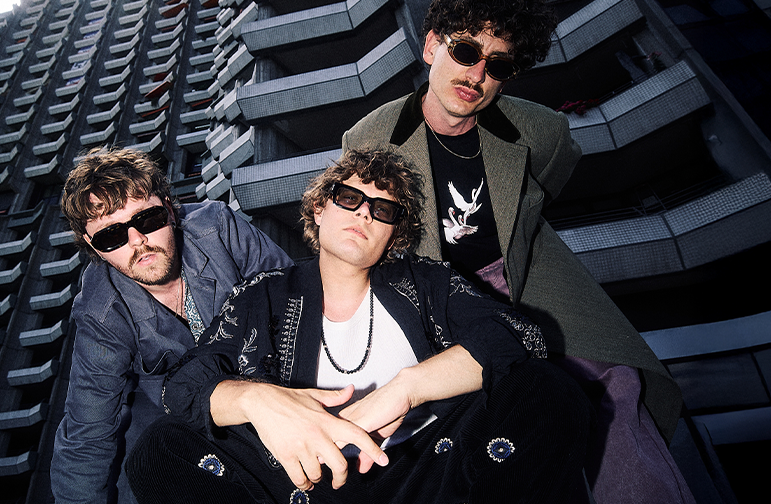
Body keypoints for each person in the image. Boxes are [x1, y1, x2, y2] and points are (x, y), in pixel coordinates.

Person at [341, 1, 693, 502]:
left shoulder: (539, 130)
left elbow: (546, 183)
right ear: (432, 46)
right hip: (445, 296)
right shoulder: (371, 138)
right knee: (488, 417)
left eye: (498, 65)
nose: (477, 75)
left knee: (615, 383)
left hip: (528, 278)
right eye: (466, 52)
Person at [125, 149, 592, 503]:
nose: (365, 212)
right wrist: (258, 400)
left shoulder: (426, 282)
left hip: (426, 470)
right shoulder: (263, 294)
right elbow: (183, 386)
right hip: (306, 484)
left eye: (383, 210)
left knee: (545, 388)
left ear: (393, 235)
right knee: (159, 450)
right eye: (350, 198)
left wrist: (406, 389)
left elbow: (517, 335)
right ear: (319, 209)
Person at [50, 146, 293, 504]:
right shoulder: (100, 312)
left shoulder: (219, 229)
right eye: (111, 236)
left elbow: (293, 306)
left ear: (169, 208)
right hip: (188, 429)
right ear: (94, 247)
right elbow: (87, 435)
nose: (137, 241)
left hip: (273, 390)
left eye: (147, 219)